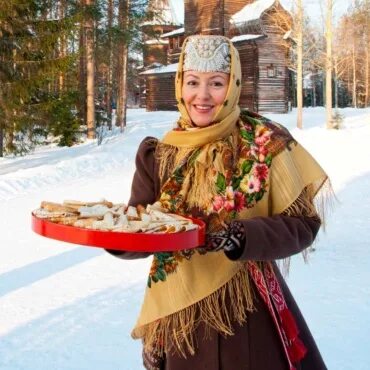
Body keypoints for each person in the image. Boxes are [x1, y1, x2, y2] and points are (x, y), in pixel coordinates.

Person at [107, 35, 330, 370]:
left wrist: (245, 236)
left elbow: (303, 225)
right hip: (180, 316)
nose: (203, 95)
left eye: (216, 83)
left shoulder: (264, 142)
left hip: (248, 309)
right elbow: (142, 226)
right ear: (180, 83)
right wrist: (111, 232)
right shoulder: (160, 153)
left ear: (234, 84)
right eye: (193, 82)